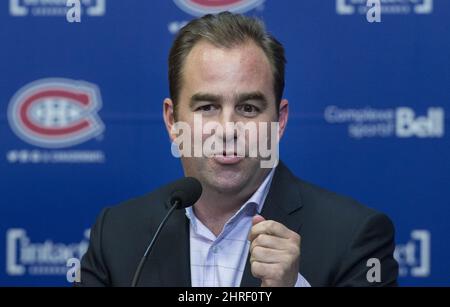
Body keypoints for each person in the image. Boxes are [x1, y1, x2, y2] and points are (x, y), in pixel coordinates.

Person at [78, 12, 398, 287]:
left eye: (248, 108)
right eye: (207, 107)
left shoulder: (355, 236)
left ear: (279, 121)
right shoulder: (116, 235)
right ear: (173, 121)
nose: (228, 129)